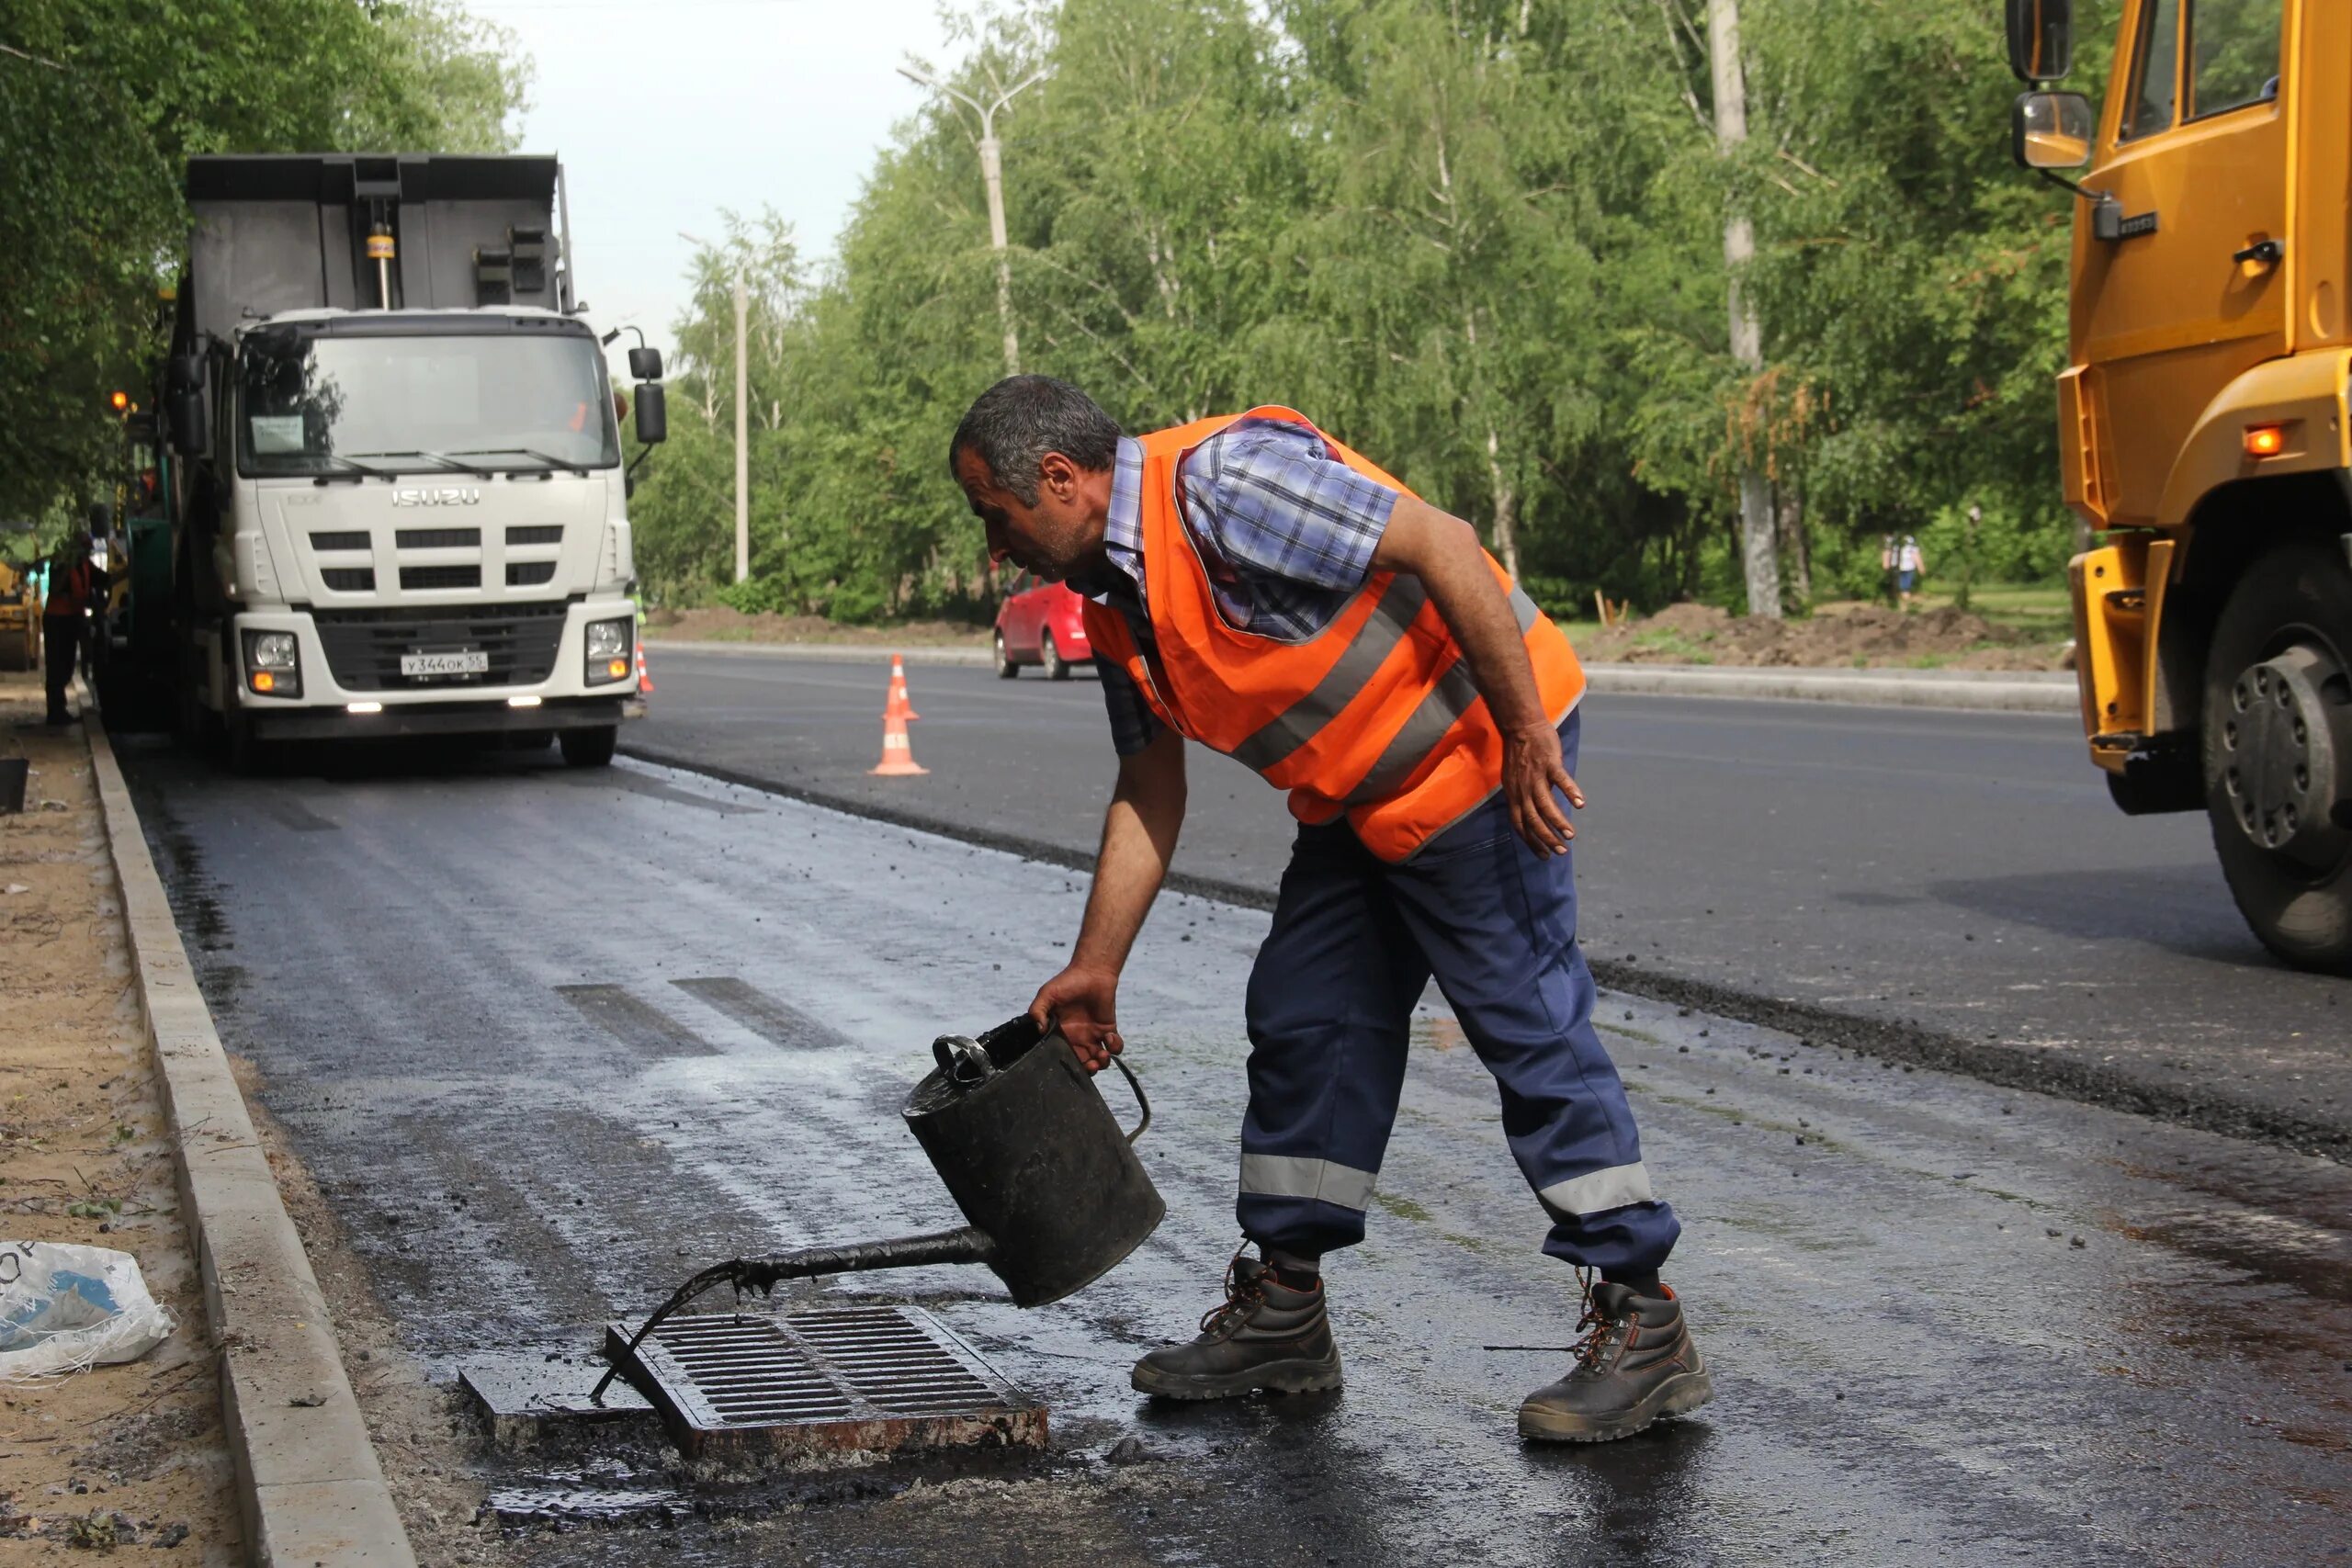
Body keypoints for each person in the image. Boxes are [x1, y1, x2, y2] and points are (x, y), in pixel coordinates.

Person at [949, 376, 1710, 1444]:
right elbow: (1148, 787)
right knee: (1307, 1018)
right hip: (1360, 797)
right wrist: (1096, 964)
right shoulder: (1112, 603)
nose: (996, 546)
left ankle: (1645, 1320)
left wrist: (1528, 733)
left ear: (1062, 480)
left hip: (1481, 757)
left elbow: (1442, 545)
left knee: (1523, 1020)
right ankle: (1286, 1314)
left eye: (996, 512)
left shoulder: (1221, 489)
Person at [41, 539, 107, 726]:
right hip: (57, 620)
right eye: (85, 550)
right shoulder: (61, 563)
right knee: (56, 666)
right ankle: (55, 713)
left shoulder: (86, 565)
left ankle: (59, 710)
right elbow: (55, 588)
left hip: (72, 620)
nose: (88, 554)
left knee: (67, 664)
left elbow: (103, 578)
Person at [1897, 534, 1926, 609]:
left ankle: (1905, 605)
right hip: (1904, 569)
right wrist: (1921, 568)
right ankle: (1906, 605)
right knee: (1905, 588)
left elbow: (1917, 558)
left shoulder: (1908, 548)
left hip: (1906, 569)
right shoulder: (1910, 548)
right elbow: (1917, 558)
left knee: (1905, 588)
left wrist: (1921, 567)